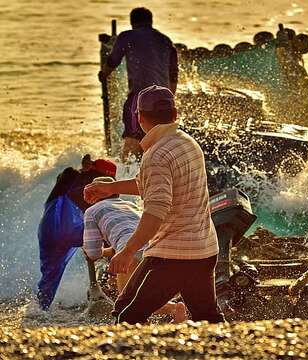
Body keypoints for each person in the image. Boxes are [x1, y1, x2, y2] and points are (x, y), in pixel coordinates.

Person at [84, 85, 224, 324]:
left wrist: (127, 252)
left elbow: (155, 211)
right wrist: (112, 188)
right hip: (204, 249)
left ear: (138, 118)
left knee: (126, 314)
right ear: (175, 113)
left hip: (173, 255)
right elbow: (152, 185)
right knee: (207, 318)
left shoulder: (156, 155)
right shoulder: (187, 143)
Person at [82, 176, 188, 322]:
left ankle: (173, 309)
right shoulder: (130, 205)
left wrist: (87, 251)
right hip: (157, 247)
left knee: (127, 304)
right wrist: (109, 251)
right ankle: (175, 318)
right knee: (145, 298)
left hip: (130, 252)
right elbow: (128, 235)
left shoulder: (92, 211)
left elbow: (93, 253)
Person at [37, 155, 117, 310]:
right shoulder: (99, 188)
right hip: (72, 230)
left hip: (47, 229)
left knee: (49, 275)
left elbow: (67, 175)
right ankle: (111, 283)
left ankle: (40, 309)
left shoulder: (68, 177)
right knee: (110, 242)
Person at [99, 7, 179, 161]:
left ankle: (125, 175)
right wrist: (169, 98)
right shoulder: (165, 40)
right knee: (158, 141)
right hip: (164, 101)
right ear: (151, 21)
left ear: (132, 22)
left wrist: (103, 74)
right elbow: (174, 74)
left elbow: (113, 60)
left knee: (132, 140)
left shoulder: (127, 36)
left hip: (140, 98)